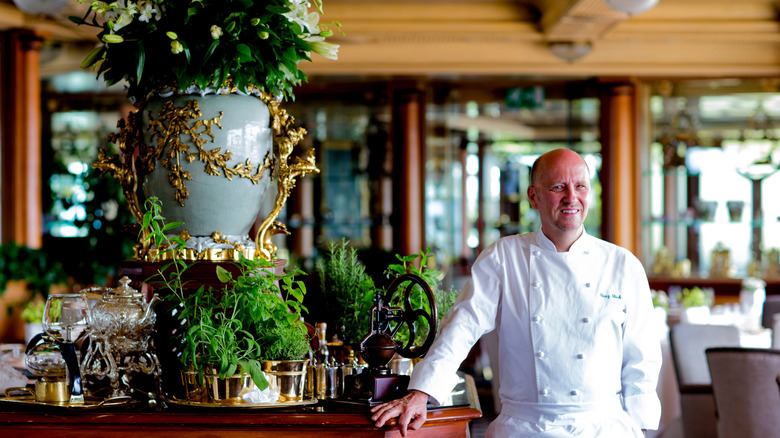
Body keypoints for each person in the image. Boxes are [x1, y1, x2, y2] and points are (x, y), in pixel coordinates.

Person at [371, 148, 661, 437]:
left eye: (580, 186)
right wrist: (422, 392)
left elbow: (642, 360)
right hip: (525, 427)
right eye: (558, 187)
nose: (571, 197)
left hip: (603, 428)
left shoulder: (622, 265)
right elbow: (462, 327)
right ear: (533, 196)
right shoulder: (503, 258)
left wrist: (641, 427)